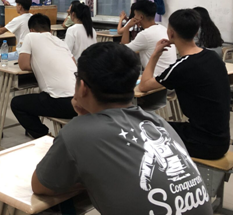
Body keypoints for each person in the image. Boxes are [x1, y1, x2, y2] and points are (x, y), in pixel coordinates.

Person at [32, 43, 212, 215]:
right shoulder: (158, 123)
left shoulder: (76, 133)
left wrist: (81, 118)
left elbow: (41, 186)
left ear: (83, 87)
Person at [138, 9, 230, 160]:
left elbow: (143, 86)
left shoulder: (182, 66)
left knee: (141, 129)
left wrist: (155, 54)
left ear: (171, 33)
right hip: (221, 139)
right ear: (196, 32)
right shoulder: (212, 56)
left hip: (202, 143)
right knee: (159, 124)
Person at [12, 14, 77, 139]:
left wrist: (39, 65)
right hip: (79, 100)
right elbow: (73, 64)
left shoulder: (31, 36)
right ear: (50, 29)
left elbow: (23, 65)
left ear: (31, 30)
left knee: (16, 103)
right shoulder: (60, 42)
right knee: (40, 97)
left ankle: (44, 137)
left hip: (60, 101)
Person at [120, 0, 176, 76]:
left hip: (155, 78)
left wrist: (127, 27)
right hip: (169, 76)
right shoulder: (163, 28)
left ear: (141, 17)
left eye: (135, 15)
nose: (133, 17)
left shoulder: (145, 34)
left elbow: (123, 51)